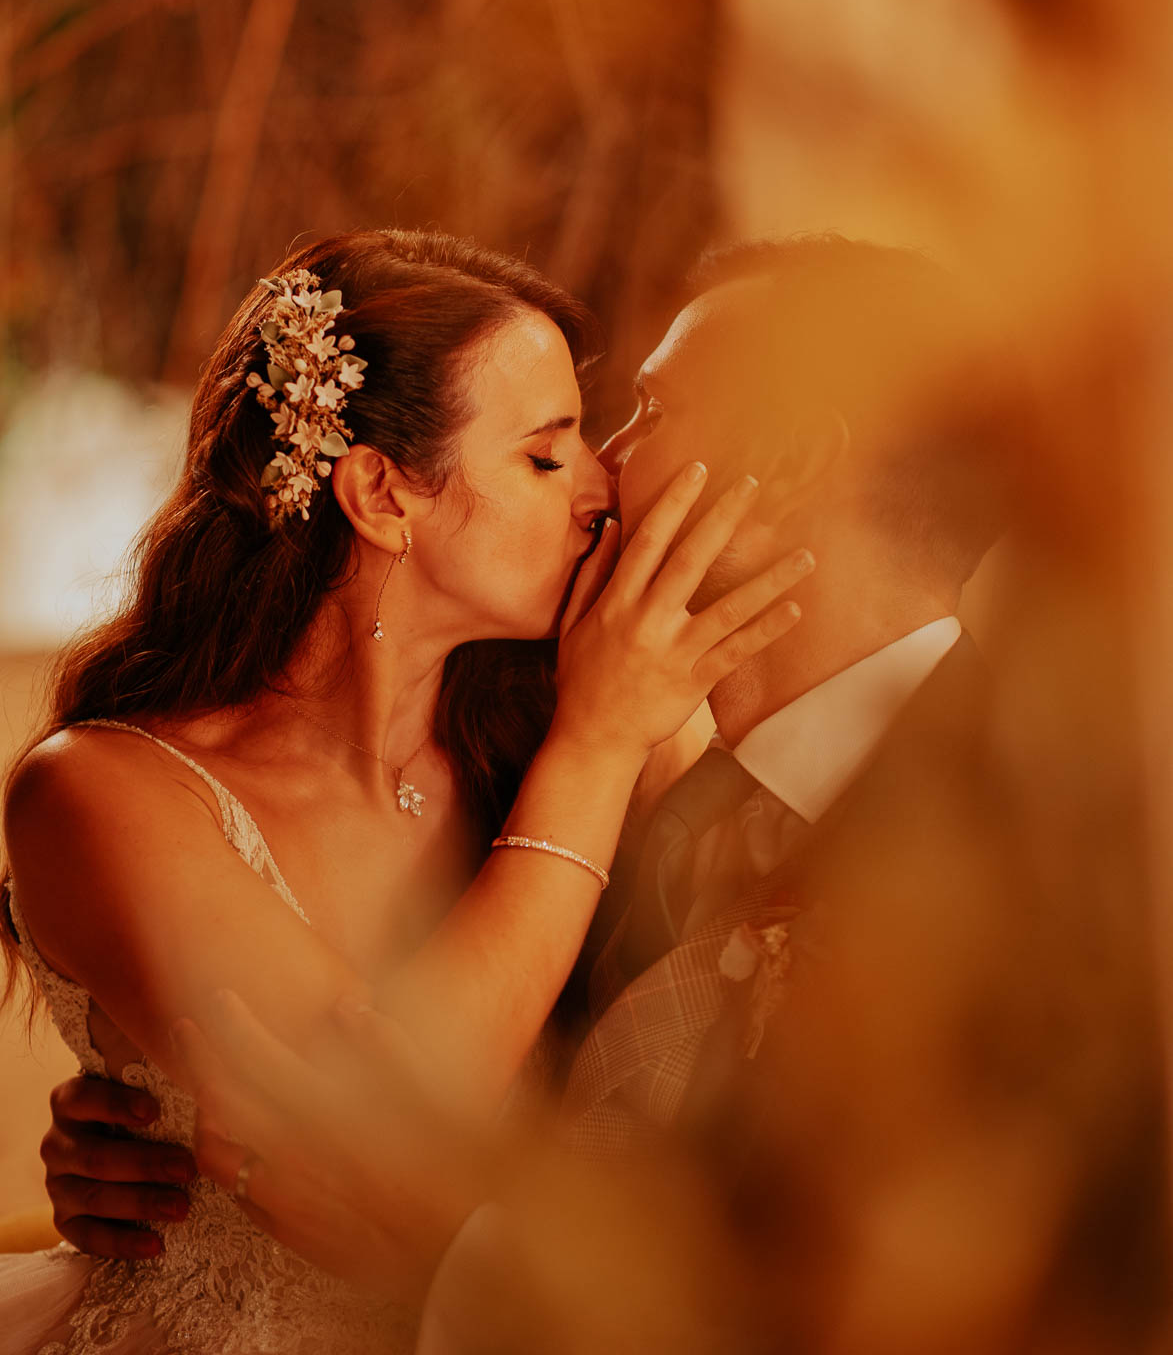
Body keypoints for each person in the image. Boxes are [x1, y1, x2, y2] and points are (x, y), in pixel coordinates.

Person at [0, 227, 810, 1355]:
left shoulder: (574, 737)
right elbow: (372, 1134)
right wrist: (595, 744)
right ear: (382, 493)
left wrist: (600, 738)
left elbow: (653, 1095)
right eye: (545, 455)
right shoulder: (99, 793)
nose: (602, 486)